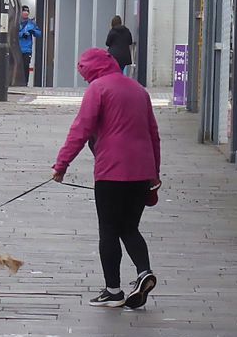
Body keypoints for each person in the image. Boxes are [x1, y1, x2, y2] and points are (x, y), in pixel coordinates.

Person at [51, 48, 160, 309]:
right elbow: (153, 133)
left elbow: (81, 128)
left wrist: (62, 164)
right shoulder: (139, 90)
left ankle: (113, 290)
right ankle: (144, 272)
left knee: (109, 230)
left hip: (111, 170)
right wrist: (155, 173)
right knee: (129, 227)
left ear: (91, 71)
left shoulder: (98, 89)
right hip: (142, 170)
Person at [18, 6, 41, 86]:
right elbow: (12, 32)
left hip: (27, 49)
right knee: (17, 66)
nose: (26, 13)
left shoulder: (32, 23)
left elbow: (38, 34)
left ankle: (25, 82)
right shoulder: (17, 22)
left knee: (26, 65)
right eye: (24, 11)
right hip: (17, 49)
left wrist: (33, 31)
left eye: (27, 11)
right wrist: (21, 35)